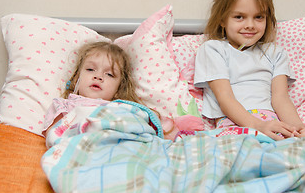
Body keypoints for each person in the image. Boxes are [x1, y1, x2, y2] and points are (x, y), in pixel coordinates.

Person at [194, 0, 305, 141]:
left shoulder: (275, 53)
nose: (250, 25)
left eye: (258, 17)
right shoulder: (213, 49)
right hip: (233, 124)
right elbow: (225, 98)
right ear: (222, 19)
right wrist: (257, 126)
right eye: (239, 17)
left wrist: (296, 127)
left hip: (270, 124)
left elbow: (281, 98)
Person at [43, 41, 203, 141]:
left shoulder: (124, 108)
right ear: (77, 77)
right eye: (91, 69)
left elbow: (154, 129)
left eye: (109, 74)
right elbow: (53, 136)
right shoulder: (65, 106)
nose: (98, 76)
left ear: (119, 90)